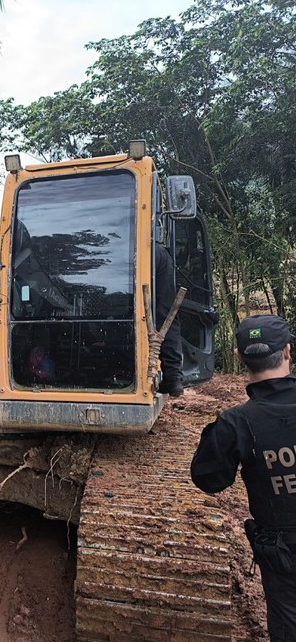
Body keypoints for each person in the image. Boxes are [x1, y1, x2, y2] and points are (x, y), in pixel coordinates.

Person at [190, 314, 296, 642]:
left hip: (283, 556)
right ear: (288, 351)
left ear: (238, 358)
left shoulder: (235, 424)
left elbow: (208, 479)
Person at [155, 242, 185, 396]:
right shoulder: (159, 254)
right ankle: (173, 376)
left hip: (118, 248)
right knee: (166, 316)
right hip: (148, 250)